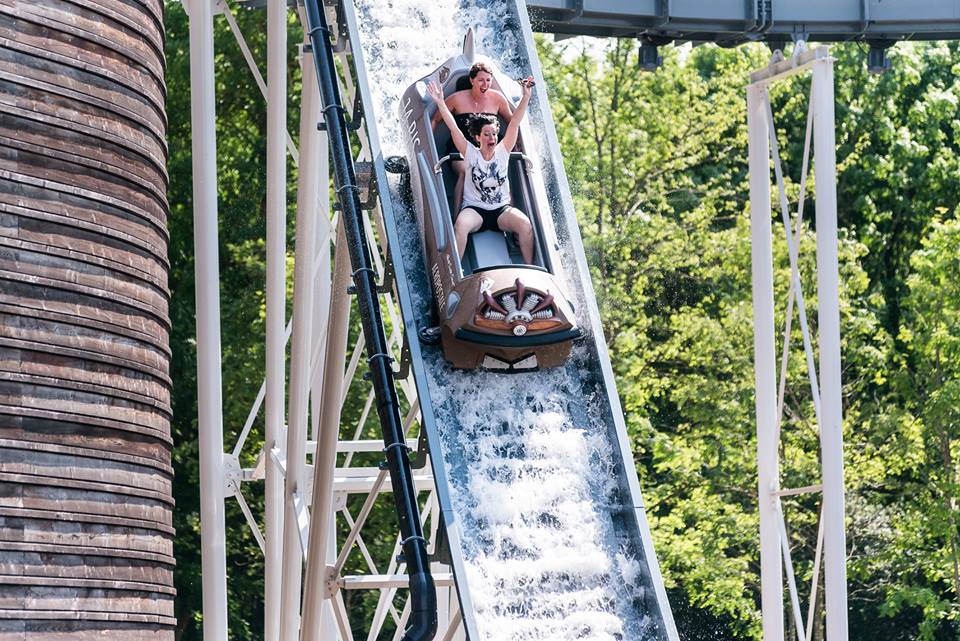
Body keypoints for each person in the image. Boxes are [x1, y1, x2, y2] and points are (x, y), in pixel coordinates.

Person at [427, 75, 536, 264]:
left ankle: (532, 268)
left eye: (494, 134)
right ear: (478, 137)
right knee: (461, 225)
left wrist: (525, 96)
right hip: (475, 210)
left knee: (525, 224)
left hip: (501, 211)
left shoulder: (503, 150)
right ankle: (456, 273)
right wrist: (439, 101)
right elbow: (453, 128)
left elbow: (515, 122)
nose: (492, 137)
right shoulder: (470, 152)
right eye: (487, 134)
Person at [430, 62, 514, 211]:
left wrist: (518, 143)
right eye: (481, 80)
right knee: (466, 170)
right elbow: (436, 119)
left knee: (501, 172)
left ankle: (507, 210)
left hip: (490, 149)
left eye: (488, 80)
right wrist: (427, 144)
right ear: (472, 80)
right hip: (461, 147)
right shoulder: (457, 98)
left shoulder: (497, 98)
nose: (485, 84)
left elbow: (512, 121)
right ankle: (457, 215)